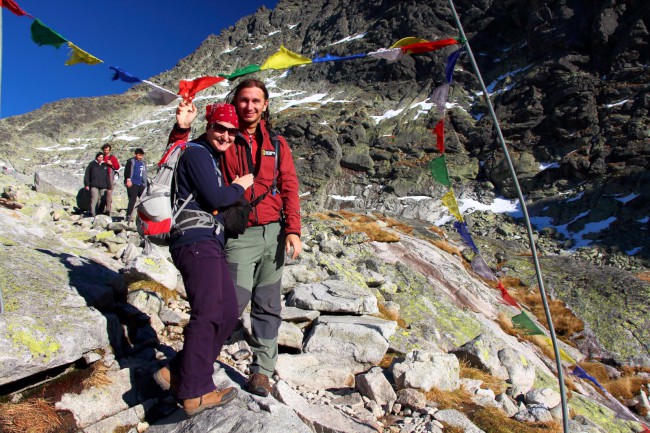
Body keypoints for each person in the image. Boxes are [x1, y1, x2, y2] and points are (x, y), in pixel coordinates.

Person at [168, 79, 302, 397]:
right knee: (229, 305)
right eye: (244, 100)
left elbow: (289, 185)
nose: (250, 106)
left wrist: (294, 229)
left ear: (265, 104)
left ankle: (261, 372)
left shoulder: (278, 144)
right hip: (239, 233)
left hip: (275, 231)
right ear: (236, 102)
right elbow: (183, 153)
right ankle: (188, 368)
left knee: (268, 305)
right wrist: (181, 128)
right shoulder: (223, 138)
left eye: (256, 100)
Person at [154, 103, 254, 416]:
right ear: (208, 126)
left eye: (231, 131)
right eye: (219, 128)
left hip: (207, 241)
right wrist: (239, 186)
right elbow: (215, 198)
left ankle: (178, 371)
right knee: (210, 310)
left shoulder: (209, 156)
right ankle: (194, 393)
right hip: (195, 241)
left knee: (225, 313)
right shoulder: (197, 152)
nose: (225, 135)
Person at [83, 152, 110, 217]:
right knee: (94, 199)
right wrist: (87, 184)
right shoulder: (92, 164)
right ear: (96, 157)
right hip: (94, 185)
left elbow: (108, 175)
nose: (100, 159)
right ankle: (93, 213)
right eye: (99, 157)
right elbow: (87, 174)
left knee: (103, 200)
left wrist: (109, 185)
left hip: (103, 185)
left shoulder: (105, 165)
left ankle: (100, 213)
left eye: (101, 157)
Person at [124, 148, 147, 222]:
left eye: (141, 155)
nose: (140, 157)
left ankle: (144, 216)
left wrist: (145, 183)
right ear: (135, 154)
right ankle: (128, 215)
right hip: (133, 183)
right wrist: (128, 179)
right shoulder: (131, 161)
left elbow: (144, 174)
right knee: (132, 200)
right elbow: (127, 171)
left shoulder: (143, 163)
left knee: (144, 200)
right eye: (139, 155)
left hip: (141, 184)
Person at [101, 143, 121, 215]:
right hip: (101, 177)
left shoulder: (112, 157)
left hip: (109, 176)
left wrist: (111, 164)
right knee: (101, 193)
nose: (106, 152)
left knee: (109, 193)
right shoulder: (100, 157)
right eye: (105, 150)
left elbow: (117, 167)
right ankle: (100, 208)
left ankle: (108, 209)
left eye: (107, 150)